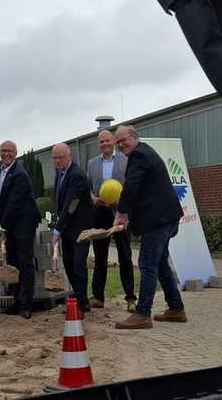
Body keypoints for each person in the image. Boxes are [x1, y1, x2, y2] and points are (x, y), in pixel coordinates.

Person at [112, 125, 188, 330]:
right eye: (117, 143)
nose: (120, 145)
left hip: (158, 221)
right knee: (160, 263)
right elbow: (143, 191)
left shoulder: (139, 155)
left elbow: (132, 186)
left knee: (147, 264)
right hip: (166, 218)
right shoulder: (145, 152)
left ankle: (143, 313)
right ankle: (176, 308)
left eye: (123, 140)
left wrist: (121, 213)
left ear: (134, 137)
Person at [85, 129, 136, 312]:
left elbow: (131, 184)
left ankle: (130, 298)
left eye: (107, 140)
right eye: (101, 142)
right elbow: (88, 188)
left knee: (125, 255)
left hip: (120, 212)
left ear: (113, 141)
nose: (105, 144)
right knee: (100, 257)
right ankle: (98, 297)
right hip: (100, 212)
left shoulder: (125, 159)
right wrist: (93, 199)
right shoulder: (92, 164)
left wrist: (124, 208)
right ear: (98, 144)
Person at [0, 140, 39, 319]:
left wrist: (2, 225)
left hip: (24, 222)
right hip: (9, 222)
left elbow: (13, 203)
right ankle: (15, 301)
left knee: (25, 262)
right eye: (3, 151)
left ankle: (26, 305)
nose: (6, 154)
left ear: (16, 153)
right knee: (12, 262)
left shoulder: (20, 174)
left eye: (10, 151)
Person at [51, 143, 93, 314]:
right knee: (69, 264)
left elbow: (71, 205)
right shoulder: (60, 173)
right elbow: (59, 201)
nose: (57, 161)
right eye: (54, 158)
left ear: (69, 156)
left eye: (60, 157)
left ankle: (81, 305)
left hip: (80, 229)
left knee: (78, 265)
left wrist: (57, 229)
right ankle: (81, 301)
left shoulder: (77, 175)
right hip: (67, 229)